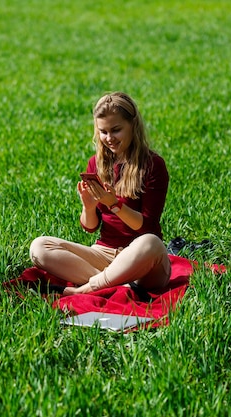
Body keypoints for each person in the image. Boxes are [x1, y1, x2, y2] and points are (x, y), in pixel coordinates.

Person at [29, 92, 170, 295]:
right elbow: (90, 227)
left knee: (151, 243)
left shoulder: (153, 165)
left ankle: (84, 290)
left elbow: (146, 225)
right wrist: (89, 207)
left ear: (133, 125)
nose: (109, 138)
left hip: (141, 260)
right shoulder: (96, 163)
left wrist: (114, 205)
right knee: (39, 247)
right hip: (103, 253)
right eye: (103, 132)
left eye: (116, 130)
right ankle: (114, 285)